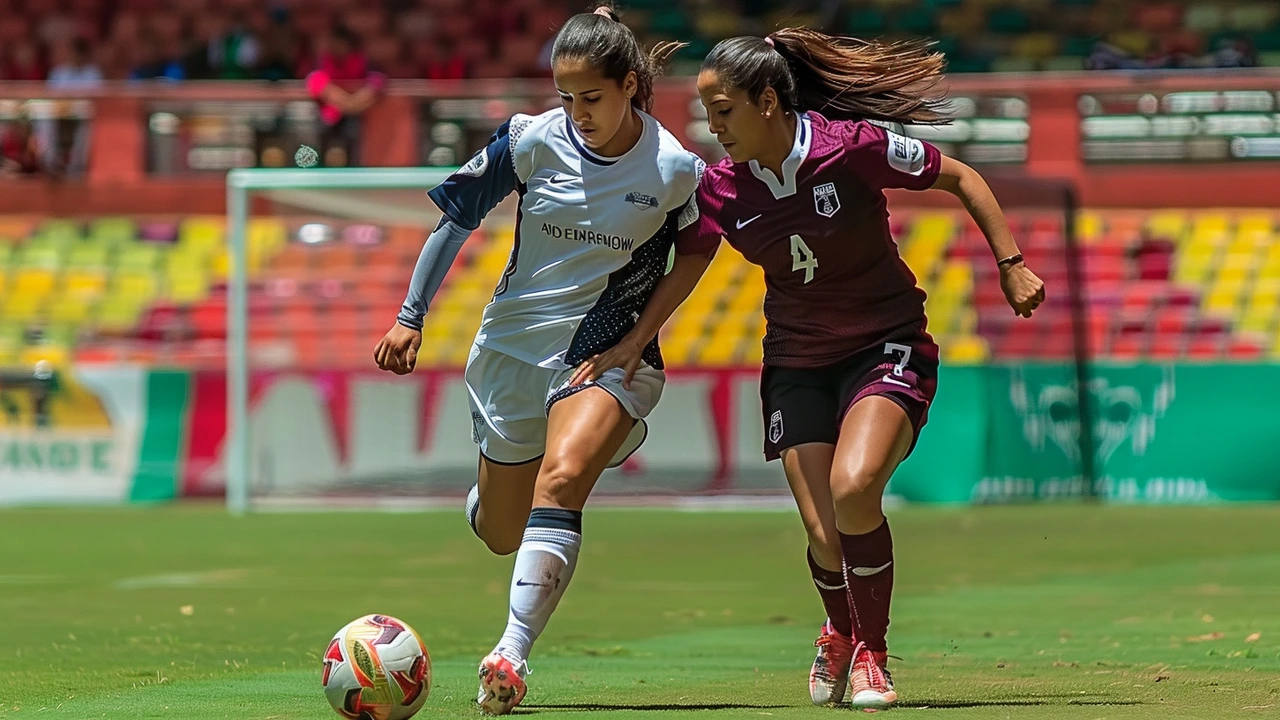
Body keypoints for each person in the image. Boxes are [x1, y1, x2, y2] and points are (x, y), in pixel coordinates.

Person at [570, 28, 1045, 711]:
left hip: (886, 344)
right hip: (797, 360)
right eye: (707, 114)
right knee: (823, 533)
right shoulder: (723, 189)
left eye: (724, 111)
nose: (714, 129)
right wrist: (635, 339)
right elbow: (691, 263)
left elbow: (961, 176)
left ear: (768, 101)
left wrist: (1011, 264)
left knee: (854, 490)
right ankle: (839, 631)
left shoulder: (850, 149)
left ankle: (872, 658)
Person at [372, 5, 699, 715]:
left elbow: (698, 250)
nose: (578, 113)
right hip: (510, 353)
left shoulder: (674, 169)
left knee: (566, 475)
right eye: (566, 98)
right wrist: (409, 316)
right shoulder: (528, 141)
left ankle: (510, 655)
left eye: (593, 97)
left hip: (603, 355)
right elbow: (455, 218)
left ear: (630, 88)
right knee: (501, 533)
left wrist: (638, 339)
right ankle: (491, 500)